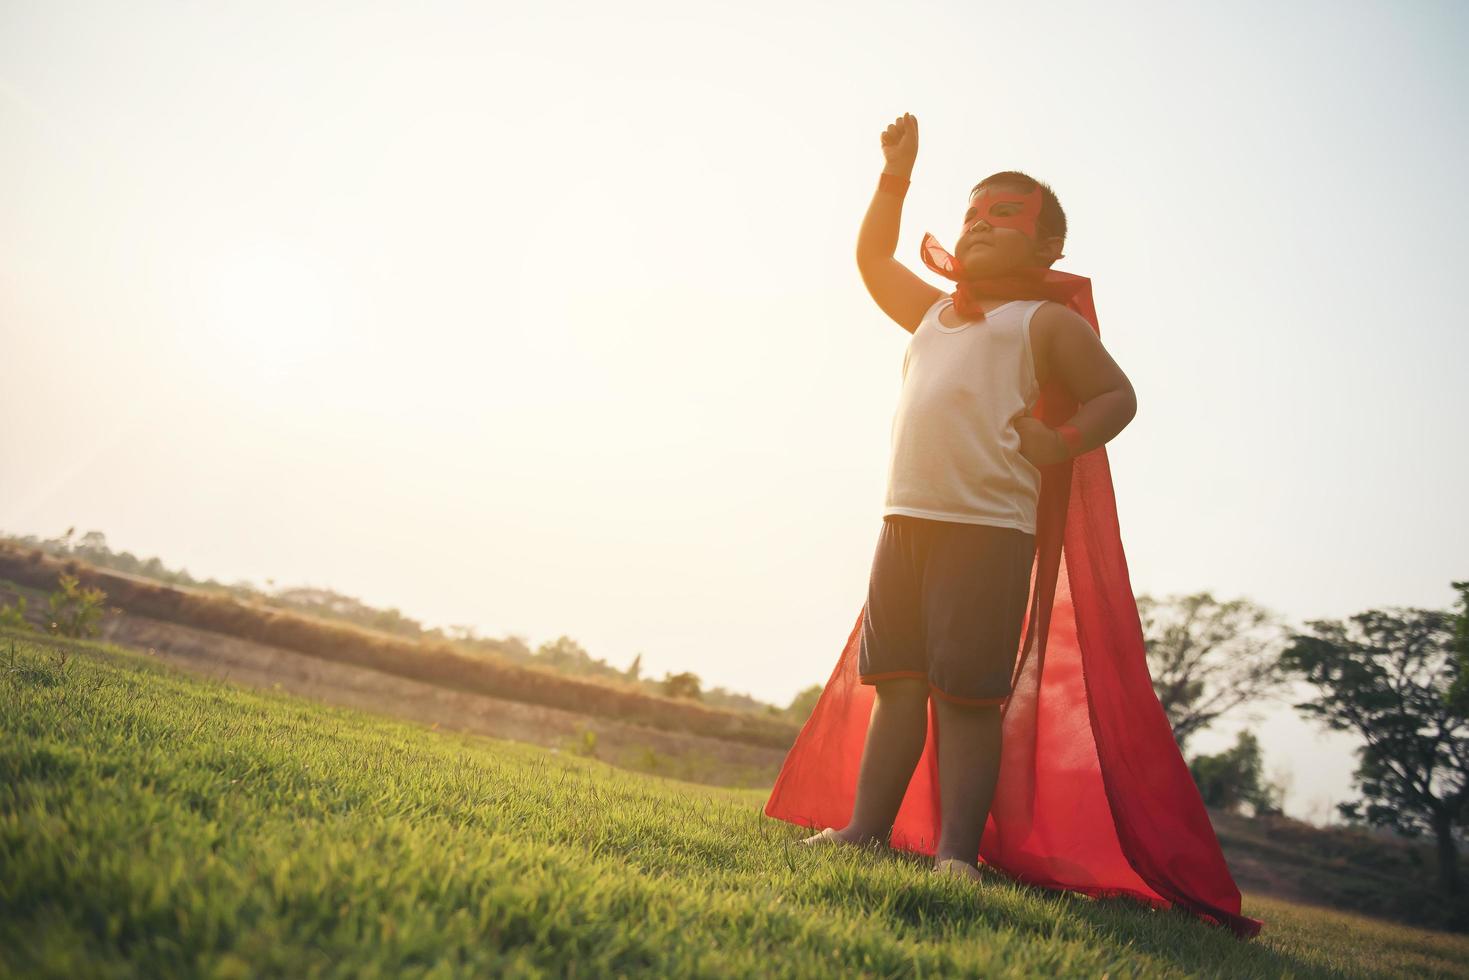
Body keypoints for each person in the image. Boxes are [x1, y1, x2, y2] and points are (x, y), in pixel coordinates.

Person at [794, 113, 1138, 882]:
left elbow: (1116, 394)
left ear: (1048, 246)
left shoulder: (1041, 321)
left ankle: (956, 856)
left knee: (965, 697)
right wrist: (895, 175)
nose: (980, 225)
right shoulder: (930, 312)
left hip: (987, 529)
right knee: (898, 685)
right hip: (904, 519)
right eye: (971, 214)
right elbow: (873, 257)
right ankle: (865, 830)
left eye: (1004, 216)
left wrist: (1066, 440)